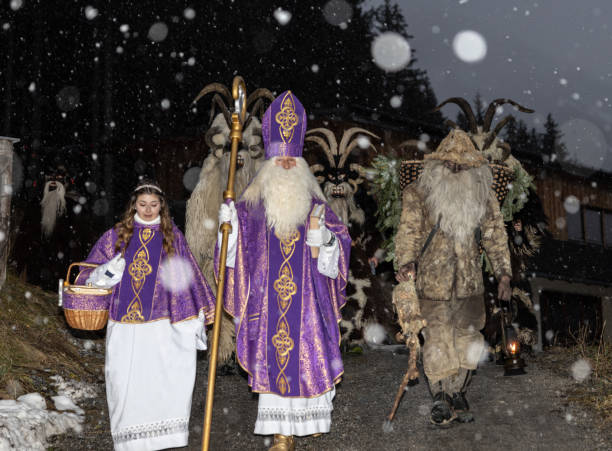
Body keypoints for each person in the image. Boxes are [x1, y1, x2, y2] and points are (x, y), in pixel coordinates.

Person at [216, 91, 351, 451]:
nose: (288, 165)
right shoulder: (250, 206)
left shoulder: (316, 203)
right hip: (267, 303)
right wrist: (227, 227)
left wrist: (325, 240)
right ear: (270, 162)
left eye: (294, 159)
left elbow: (341, 245)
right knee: (275, 360)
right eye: (282, 159)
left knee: (310, 358)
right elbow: (234, 253)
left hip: (308, 304)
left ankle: (312, 420)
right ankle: (281, 433)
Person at [78, 180, 216, 450]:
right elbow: (86, 276)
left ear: (162, 206)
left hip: (162, 326)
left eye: (154, 205)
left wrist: (193, 321)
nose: (149, 210)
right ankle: (129, 442)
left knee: (161, 382)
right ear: (133, 205)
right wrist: (107, 272)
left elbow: (186, 281)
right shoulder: (117, 235)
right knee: (124, 384)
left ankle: (162, 440)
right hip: (124, 325)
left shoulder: (172, 237)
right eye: (143, 204)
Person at [394, 129, 512, 425]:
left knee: (468, 339)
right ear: (438, 165)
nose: (456, 169)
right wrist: (406, 262)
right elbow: (408, 232)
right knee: (436, 339)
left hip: (470, 284)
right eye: (450, 164)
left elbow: (495, 236)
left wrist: (504, 275)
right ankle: (440, 397)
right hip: (432, 285)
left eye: (463, 165)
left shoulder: (483, 199)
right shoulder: (418, 194)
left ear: (474, 168)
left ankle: (458, 391)